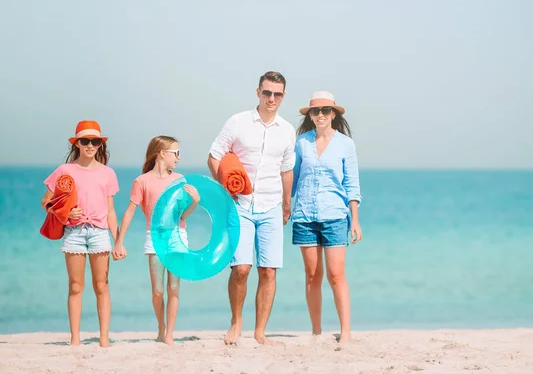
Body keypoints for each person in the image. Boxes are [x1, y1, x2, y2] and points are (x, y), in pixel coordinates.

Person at [207, 71, 296, 345]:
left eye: (277, 94)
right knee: (242, 268)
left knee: (268, 270)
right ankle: (236, 322)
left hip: (271, 205)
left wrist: (286, 202)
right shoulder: (238, 122)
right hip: (240, 204)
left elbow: (287, 169)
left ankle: (260, 332)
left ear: (283, 96)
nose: (271, 98)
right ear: (258, 92)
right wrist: (224, 190)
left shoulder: (287, 130)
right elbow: (214, 156)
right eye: (267, 92)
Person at [112, 135, 200, 345]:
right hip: (155, 237)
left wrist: (195, 201)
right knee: (158, 291)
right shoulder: (142, 181)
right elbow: (130, 212)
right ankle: (161, 328)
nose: (178, 158)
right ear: (162, 153)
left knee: (174, 289)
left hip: (178, 236)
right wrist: (119, 241)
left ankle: (169, 335)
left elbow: (182, 215)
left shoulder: (179, 180)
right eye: (175, 153)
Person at [291, 91, 363, 343]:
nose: (320, 115)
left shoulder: (345, 144)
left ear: (333, 114)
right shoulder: (301, 143)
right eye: (315, 111)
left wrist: (354, 219)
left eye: (325, 110)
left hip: (335, 216)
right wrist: (282, 206)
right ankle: (316, 331)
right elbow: (294, 179)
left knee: (336, 275)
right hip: (304, 216)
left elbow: (352, 184)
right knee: (312, 274)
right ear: (310, 115)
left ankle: (345, 332)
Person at [40, 120, 119, 347]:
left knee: (101, 285)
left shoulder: (108, 173)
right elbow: (46, 202)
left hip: (100, 232)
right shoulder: (64, 171)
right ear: (77, 144)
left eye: (95, 141)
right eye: (85, 141)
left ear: (99, 145)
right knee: (75, 286)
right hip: (74, 232)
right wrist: (65, 212)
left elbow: (111, 212)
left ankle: (104, 339)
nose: (90, 145)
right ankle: (75, 340)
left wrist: (118, 241)